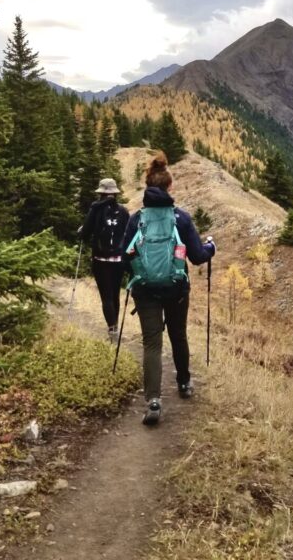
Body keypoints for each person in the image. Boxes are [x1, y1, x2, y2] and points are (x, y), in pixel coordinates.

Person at [122, 152, 216, 425]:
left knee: (152, 343)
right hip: (176, 289)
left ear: (148, 187)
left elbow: (124, 255)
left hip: (146, 290)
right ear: (169, 187)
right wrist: (212, 246)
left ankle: (153, 400)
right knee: (178, 335)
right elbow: (197, 256)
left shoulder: (136, 219)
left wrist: (139, 273)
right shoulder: (181, 218)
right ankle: (184, 383)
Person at [80, 178, 130, 339]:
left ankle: (112, 328)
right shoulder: (123, 211)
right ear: (115, 193)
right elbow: (128, 234)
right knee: (115, 294)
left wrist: (81, 231)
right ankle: (114, 327)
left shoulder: (95, 210)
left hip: (100, 260)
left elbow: (85, 233)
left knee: (106, 296)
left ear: (101, 193)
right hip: (118, 260)